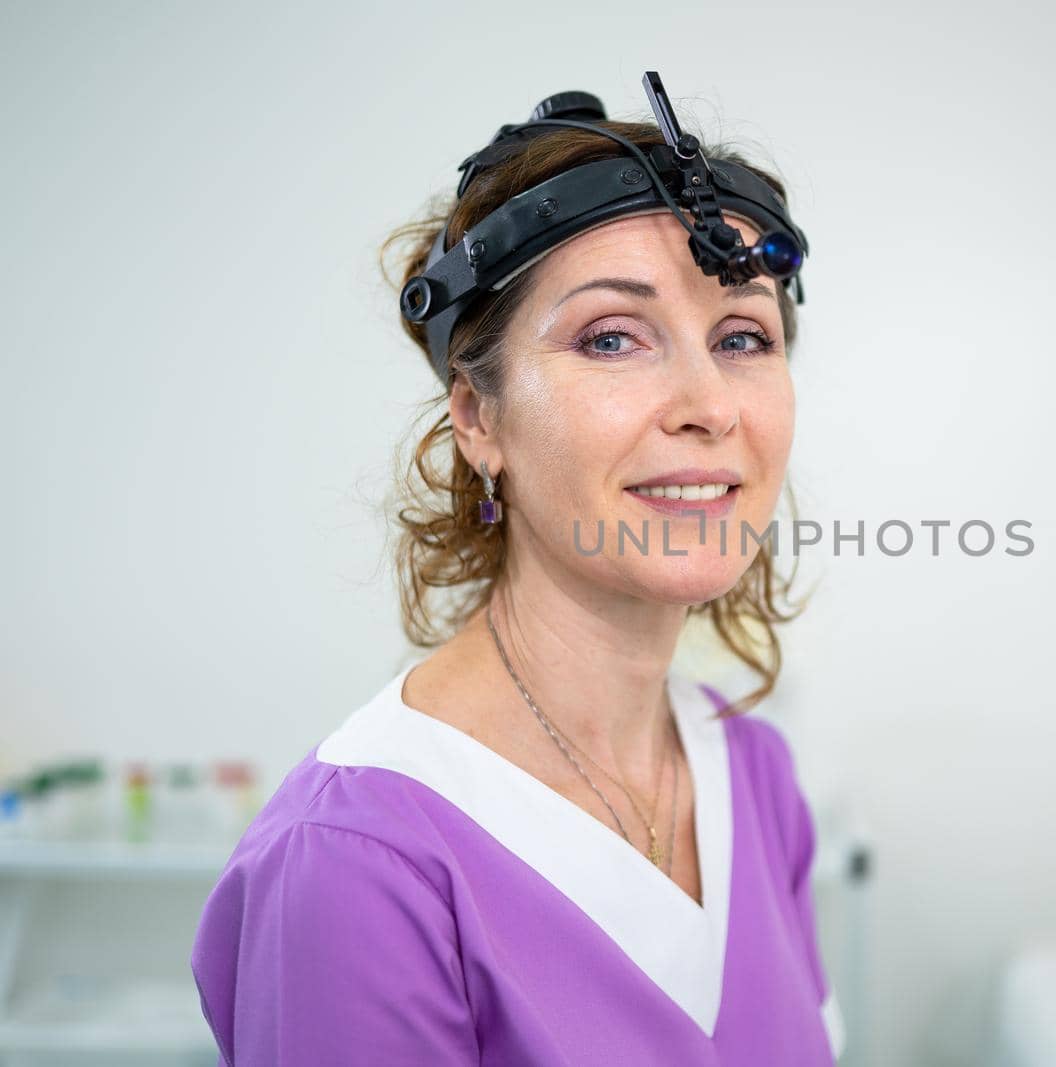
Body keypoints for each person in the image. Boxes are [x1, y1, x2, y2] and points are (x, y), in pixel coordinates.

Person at [188, 85, 844, 1065]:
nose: (709, 404)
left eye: (742, 337)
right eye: (611, 336)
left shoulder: (754, 773)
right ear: (478, 417)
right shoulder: (354, 862)